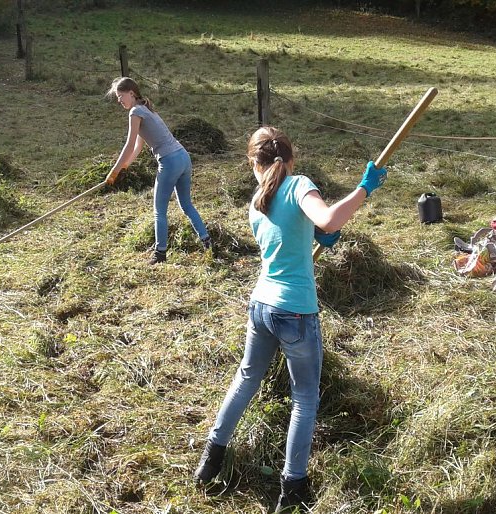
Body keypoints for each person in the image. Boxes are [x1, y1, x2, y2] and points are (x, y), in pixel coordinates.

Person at [193, 126, 387, 512]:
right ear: (291, 160)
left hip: (261, 305)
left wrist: (316, 235)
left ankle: (210, 460)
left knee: (246, 380)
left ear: (254, 163)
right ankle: (293, 486)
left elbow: (291, 236)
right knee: (305, 398)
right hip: (295, 311)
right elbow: (328, 219)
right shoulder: (298, 184)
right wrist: (363, 189)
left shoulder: (256, 201)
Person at [105, 77, 210, 264]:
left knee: (159, 211)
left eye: (121, 96)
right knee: (186, 205)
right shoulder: (146, 109)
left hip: (169, 161)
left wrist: (114, 170)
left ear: (131, 93)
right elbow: (138, 146)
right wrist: (125, 167)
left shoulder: (135, 112)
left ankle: (160, 253)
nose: (119, 100)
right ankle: (207, 241)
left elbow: (129, 144)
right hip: (183, 157)